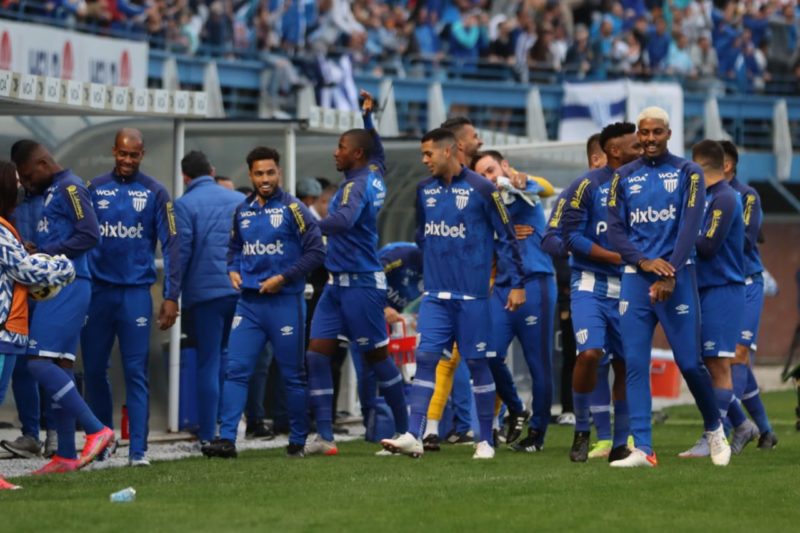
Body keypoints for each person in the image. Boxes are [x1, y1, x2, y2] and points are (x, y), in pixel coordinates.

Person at [381, 127, 525, 460]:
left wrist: (516, 283)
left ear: (448, 152)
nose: (424, 160)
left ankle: (485, 439)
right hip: (435, 295)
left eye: (428, 153)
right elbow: (422, 234)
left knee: (477, 363)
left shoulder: (482, 189)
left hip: (472, 297)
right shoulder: (423, 190)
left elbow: (507, 237)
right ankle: (413, 435)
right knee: (426, 359)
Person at [607, 107, 730, 468]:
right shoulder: (623, 177)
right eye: (643, 133)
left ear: (669, 133)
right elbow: (616, 231)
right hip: (636, 277)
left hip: (678, 276)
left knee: (690, 364)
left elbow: (690, 226)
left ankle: (715, 429)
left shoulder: (688, 172)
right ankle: (643, 449)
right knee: (633, 363)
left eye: (656, 132)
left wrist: (669, 272)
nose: (648, 139)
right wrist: (644, 262)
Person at [202, 146, 325, 459]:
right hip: (249, 304)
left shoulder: (294, 209)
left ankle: (297, 439)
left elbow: (316, 252)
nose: (265, 178)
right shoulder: (242, 210)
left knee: (291, 373)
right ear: (251, 175)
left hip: (285, 302)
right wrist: (232, 269)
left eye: (271, 172)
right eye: (259, 173)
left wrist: (283, 278)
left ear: (279, 173)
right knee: (236, 369)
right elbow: (234, 248)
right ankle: (227, 439)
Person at [305, 90, 408, 455]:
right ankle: (325, 438)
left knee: (377, 359)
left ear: (356, 155)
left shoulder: (355, 186)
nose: (336, 152)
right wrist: (367, 117)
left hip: (362, 285)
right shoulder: (375, 172)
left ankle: (406, 432)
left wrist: (307, 224)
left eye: (341, 147)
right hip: (337, 286)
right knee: (317, 354)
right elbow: (378, 150)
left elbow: (344, 221)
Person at [11, 140, 115, 474]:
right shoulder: (53, 191)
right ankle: (66, 456)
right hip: (61, 284)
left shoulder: (71, 187)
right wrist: (37, 250)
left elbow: (90, 234)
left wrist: (48, 253)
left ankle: (97, 429)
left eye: (28, 176)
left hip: (70, 285)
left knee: (37, 363)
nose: (26, 185)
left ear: (43, 163)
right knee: (60, 369)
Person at [81, 128, 180, 467]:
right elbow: (78, 236)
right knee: (93, 370)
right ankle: (101, 444)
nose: (127, 160)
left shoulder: (155, 192)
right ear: (114, 151)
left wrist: (171, 296)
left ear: (142, 154)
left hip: (136, 294)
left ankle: (138, 451)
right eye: (122, 153)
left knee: (136, 371)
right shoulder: (94, 188)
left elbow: (172, 245)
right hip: (97, 293)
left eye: (133, 155)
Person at [560, 122, 641, 463]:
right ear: (614, 152)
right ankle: (582, 428)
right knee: (590, 353)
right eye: (634, 146)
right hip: (590, 283)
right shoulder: (586, 185)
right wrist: (615, 256)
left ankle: (619, 442)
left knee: (625, 365)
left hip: (631, 285)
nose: (641, 149)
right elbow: (570, 237)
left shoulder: (644, 183)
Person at [471, 150, 556, 453]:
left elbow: (544, 187)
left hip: (536, 284)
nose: (488, 178)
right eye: (481, 174)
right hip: (503, 287)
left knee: (538, 364)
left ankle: (538, 433)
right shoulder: (485, 203)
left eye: (491, 170)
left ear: (504, 166)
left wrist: (524, 178)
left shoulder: (519, 187)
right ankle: (517, 408)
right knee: (488, 354)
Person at [0, 159, 77, 489]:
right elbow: (25, 271)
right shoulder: (1, 229)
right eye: (15, 181)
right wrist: (63, 267)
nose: (20, 186)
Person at [676, 139, 746, 460]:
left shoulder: (725, 198)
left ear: (700, 166)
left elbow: (707, 246)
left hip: (722, 287)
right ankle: (742, 424)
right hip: (699, 286)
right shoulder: (702, 197)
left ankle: (714, 434)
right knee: (699, 363)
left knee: (717, 363)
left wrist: (681, 238)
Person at [175, 151, 245, 447]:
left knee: (208, 361)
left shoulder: (184, 204)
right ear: (213, 170)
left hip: (205, 296)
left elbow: (181, 254)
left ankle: (207, 433)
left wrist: (171, 295)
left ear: (185, 177)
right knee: (231, 361)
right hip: (239, 291)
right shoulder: (237, 200)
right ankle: (228, 430)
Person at [719, 140, 777, 450]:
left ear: (727, 165)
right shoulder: (702, 197)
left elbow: (746, 238)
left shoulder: (747, 196)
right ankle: (764, 430)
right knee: (719, 358)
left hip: (745, 283)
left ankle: (729, 428)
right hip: (719, 285)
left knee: (738, 354)